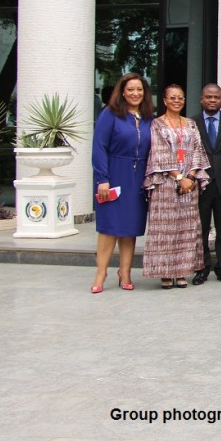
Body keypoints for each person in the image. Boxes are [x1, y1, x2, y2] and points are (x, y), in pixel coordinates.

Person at [91, 72, 154, 293]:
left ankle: (125, 272)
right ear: (122, 92)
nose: (135, 94)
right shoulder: (110, 114)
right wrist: (102, 179)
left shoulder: (148, 117)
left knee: (129, 228)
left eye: (139, 90)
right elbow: (99, 147)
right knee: (109, 227)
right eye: (130, 90)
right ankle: (101, 273)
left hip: (138, 179)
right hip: (114, 174)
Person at [142, 84, 210, 289]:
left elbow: (198, 149)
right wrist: (179, 177)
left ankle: (182, 271)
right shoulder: (157, 124)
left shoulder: (190, 124)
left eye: (180, 98)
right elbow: (159, 153)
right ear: (164, 101)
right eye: (172, 98)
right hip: (165, 184)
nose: (177, 101)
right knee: (166, 230)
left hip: (189, 185)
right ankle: (165, 272)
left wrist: (190, 176)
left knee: (186, 229)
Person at [192, 83, 221, 285]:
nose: (212, 100)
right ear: (201, 99)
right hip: (199, 185)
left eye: (216, 97)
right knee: (199, 229)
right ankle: (202, 268)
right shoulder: (191, 123)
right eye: (208, 97)